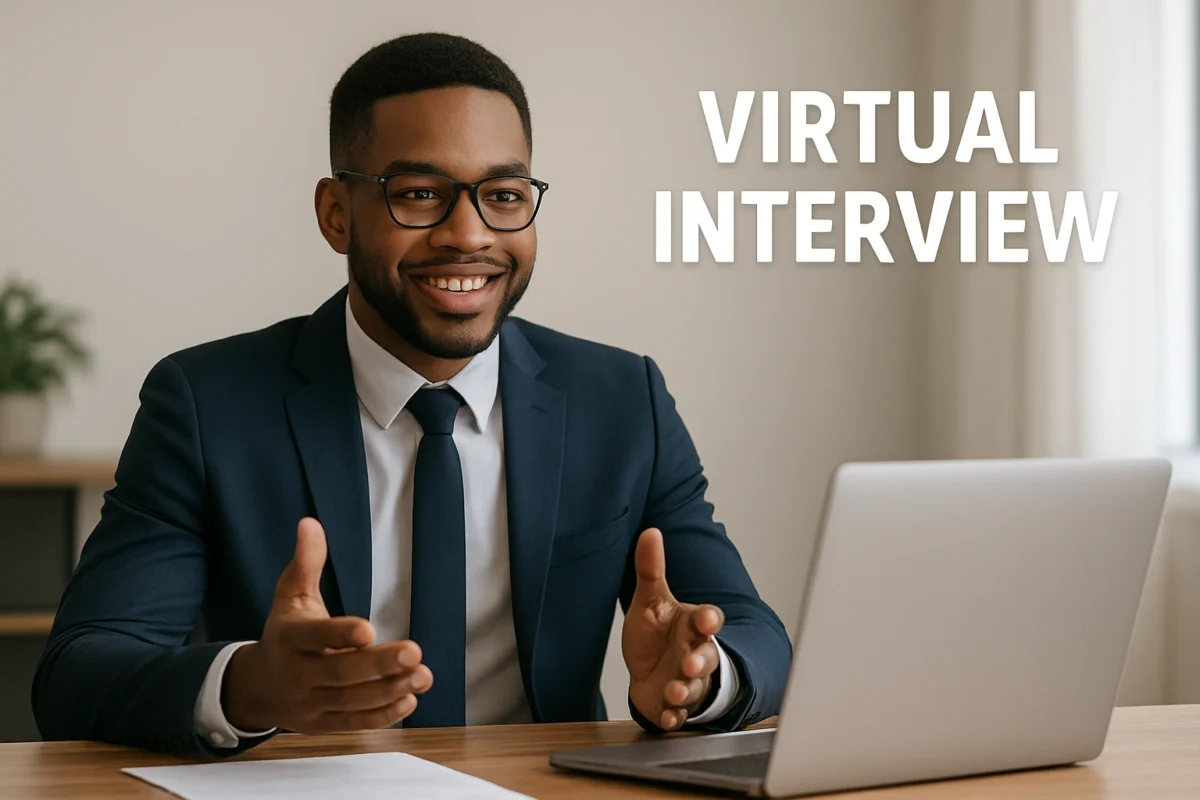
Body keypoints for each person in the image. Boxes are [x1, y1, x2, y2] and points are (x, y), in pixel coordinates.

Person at [31, 32, 791, 757]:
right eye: (420, 194)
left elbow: (755, 634)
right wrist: (252, 686)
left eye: (502, 193)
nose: (468, 234)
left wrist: (702, 678)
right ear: (337, 213)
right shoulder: (206, 406)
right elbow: (79, 671)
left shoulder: (623, 401)